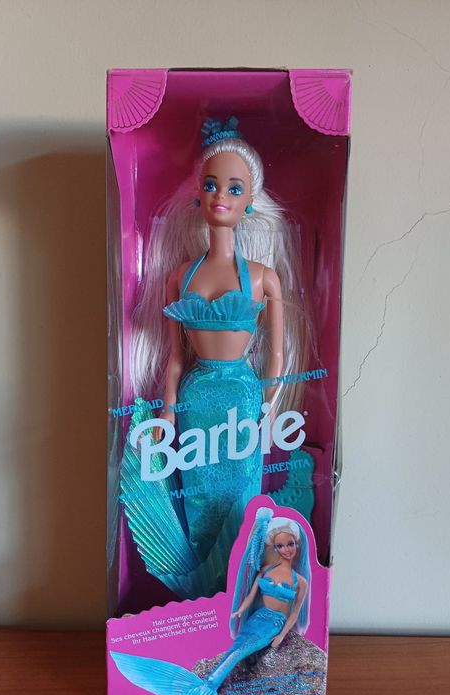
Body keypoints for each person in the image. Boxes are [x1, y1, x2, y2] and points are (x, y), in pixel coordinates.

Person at [121, 117, 309, 597]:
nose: (220, 196)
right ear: (198, 196)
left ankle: (239, 587)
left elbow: (277, 354)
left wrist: (269, 407)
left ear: (250, 202)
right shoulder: (180, 276)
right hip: (195, 400)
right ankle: (201, 597)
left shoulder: (263, 277)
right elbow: (175, 357)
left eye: (234, 188)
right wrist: (167, 412)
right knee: (199, 495)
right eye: (211, 185)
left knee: (240, 495)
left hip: (242, 399)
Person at [110, 507, 312, 695]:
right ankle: (202, 689)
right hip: (257, 618)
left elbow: (294, 613)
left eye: (290, 544)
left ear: (297, 545)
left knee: (238, 653)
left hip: (273, 624)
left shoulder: (300, 581)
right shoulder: (266, 570)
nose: (286, 549)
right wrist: (240, 610)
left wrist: (281, 635)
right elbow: (250, 586)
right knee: (234, 649)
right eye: (280, 545)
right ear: (274, 547)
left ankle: (207, 687)